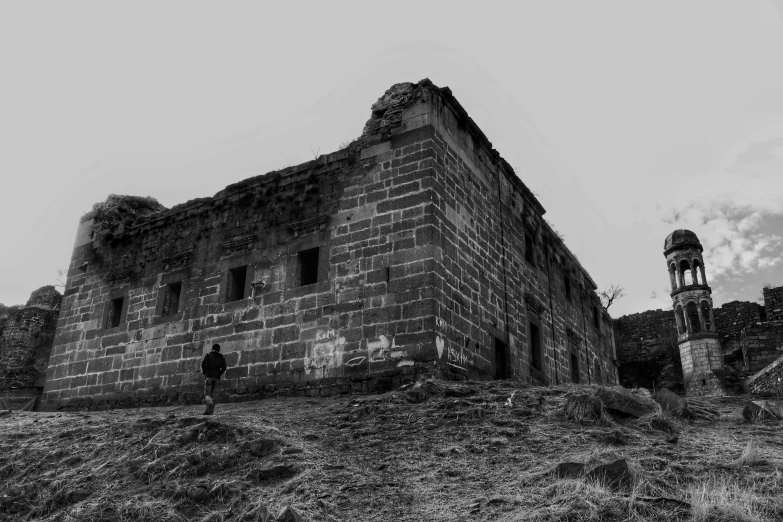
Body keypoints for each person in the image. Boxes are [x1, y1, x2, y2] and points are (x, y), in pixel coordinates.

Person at [200, 343, 227, 415]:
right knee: (213, 395)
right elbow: (224, 368)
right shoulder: (222, 357)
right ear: (219, 349)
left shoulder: (208, 355)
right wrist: (219, 374)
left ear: (212, 348)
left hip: (209, 376)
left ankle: (209, 405)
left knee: (207, 395)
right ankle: (209, 412)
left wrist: (205, 371)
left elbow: (203, 363)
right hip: (217, 378)